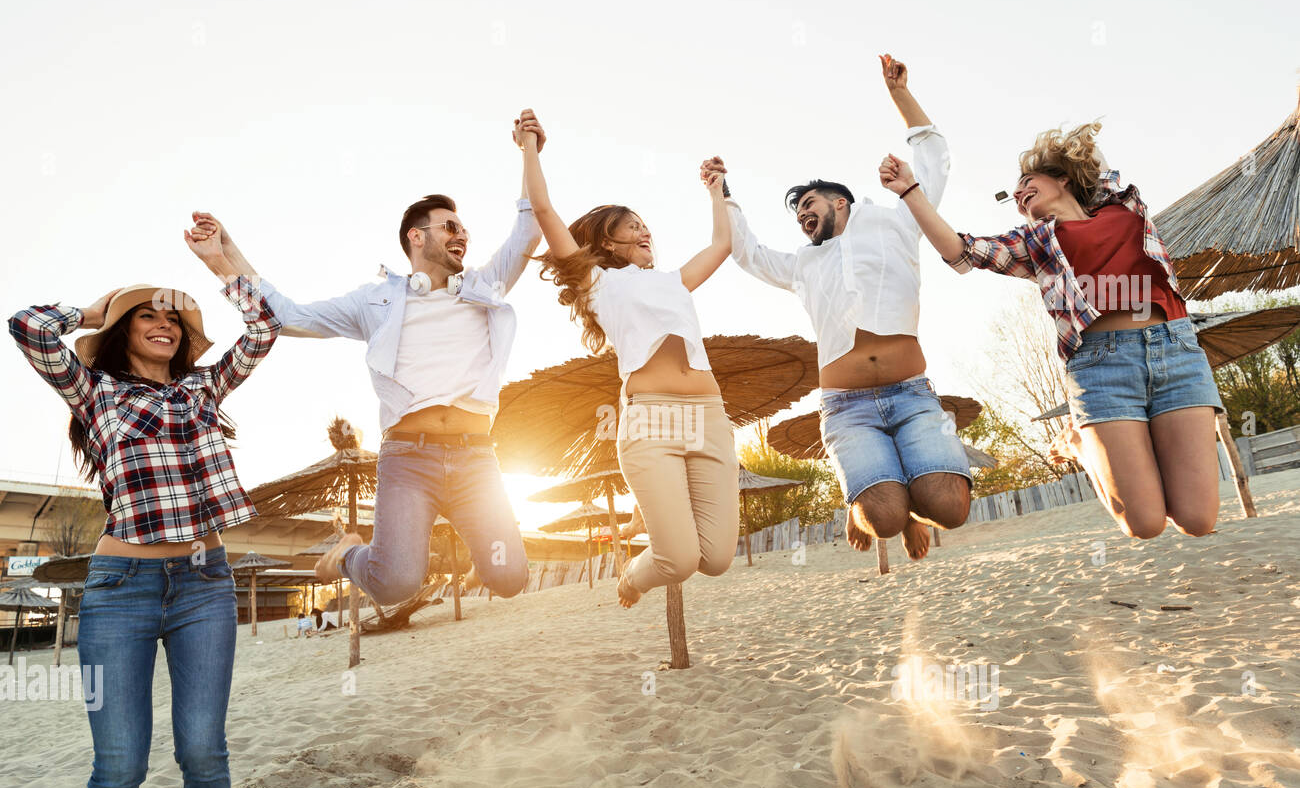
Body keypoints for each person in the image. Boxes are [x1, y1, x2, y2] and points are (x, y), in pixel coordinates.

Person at [187, 129, 547, 605]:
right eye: (449, 227)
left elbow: (530, 226)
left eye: (463, 228)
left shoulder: (484, 286)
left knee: (509, 577)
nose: (462, 234)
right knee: (397, 583)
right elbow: (290, 316)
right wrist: (224, 257)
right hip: (408, 459)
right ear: (416, 237)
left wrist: (528, 150)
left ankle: (475, 550)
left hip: (476, 458)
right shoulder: (376, 301)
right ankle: (348, 556)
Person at [7, 232, 280, 788]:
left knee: (203, 750)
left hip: (205, 586)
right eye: (148, 315)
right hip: (118, 591)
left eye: (174, 319)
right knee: (120, 767)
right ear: (124, 330)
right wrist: (93, 311)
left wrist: (221, 263)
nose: (164, 325)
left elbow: (264, 327)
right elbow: (27, 327)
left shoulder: (204, 389)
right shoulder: (93, 391)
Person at [883, 120, 1224, 539]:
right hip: (1102, 367)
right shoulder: (1034, 242)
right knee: (1145, 524)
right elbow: (959, 249)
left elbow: (1091, 161)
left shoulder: (1122, 203)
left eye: (1028, 181)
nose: (1020, 193)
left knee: (1197, 519)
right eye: (1016, 194)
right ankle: (1081, 443)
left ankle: (1092, 442)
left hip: (1176, 349)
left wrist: (1063, 153)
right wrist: (909, 191)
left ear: (1063, 179)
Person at [703, 54, 971, 562]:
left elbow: (935, 161)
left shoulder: (898, 221)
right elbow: (748, 254)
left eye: (809, 207)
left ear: (840, 202)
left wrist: (900, 96)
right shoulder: (805, 264)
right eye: (799, 215)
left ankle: (914, 503)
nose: (803, 217)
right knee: (885, 517)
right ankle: (874, 504)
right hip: (847, 409)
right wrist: (723, 192)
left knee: (950, 508)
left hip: (912, 396)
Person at [517, 108, 740, 608]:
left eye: (645, 225)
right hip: (650, 421)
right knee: (678, 560)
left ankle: (650, 556)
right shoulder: (599, 285)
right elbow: (546, 212)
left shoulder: (673, 281)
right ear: (606, 243)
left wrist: (717, 190)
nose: (645, 233)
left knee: (717, 558)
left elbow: (722, 243)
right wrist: (530, 148)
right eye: (631, 227)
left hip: (709, 418)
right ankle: (631, 576)